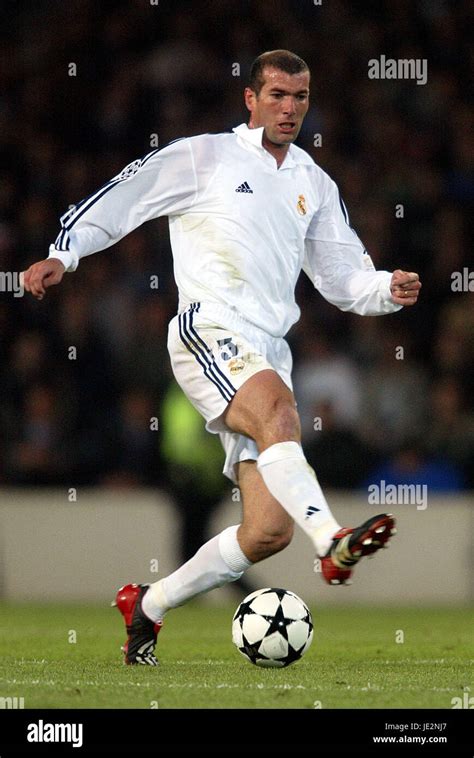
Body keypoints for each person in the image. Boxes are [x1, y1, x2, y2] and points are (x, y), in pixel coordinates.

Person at [23, 50, 421, 666]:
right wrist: (64, 252)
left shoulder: (313, 181)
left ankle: (149, 603)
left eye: (301, 97)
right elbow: (126, 196)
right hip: (207, 329)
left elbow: (344, 277)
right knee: (279, 413)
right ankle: (332, 540)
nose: (290, 108)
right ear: (251, 99)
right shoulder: (204, 156)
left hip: (268, 349)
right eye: (278, 95)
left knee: (266, 531)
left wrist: (385, 288)